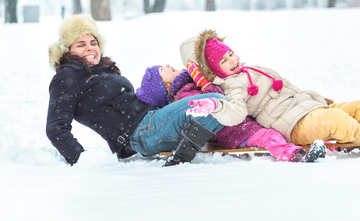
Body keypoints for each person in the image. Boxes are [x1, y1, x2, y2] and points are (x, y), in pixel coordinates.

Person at [179, 29, 360, 156]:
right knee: (336, 121)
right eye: (223, 61)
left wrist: (318, 101)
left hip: (312, 107)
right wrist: (216, 107)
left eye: (230, 53)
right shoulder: (233, 86)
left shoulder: (255, 69)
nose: (232, 60)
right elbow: (236, 113)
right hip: (295, 124)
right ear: (214, 70)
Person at [46, 14, 227, 167]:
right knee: (217, 102)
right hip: (141, 133)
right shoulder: (67, 77)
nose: (90, 47)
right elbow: (56, 128)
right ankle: (182, 156)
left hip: (152, 122)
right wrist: (81, 160)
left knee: (226, 101)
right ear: (68, 50)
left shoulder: (102, 71)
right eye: (80, 44)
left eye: (93, 42)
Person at [135, 64, 326, 163]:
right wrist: (207, 85)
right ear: (165, 86)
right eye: (162, 70)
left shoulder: (190, 84)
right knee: (271, 137)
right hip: (235, 131)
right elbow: (217, 100)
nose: (168, 65)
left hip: (242, 121)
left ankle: (327, 146)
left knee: (284, 128)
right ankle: (294, 156)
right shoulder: (184, 95)